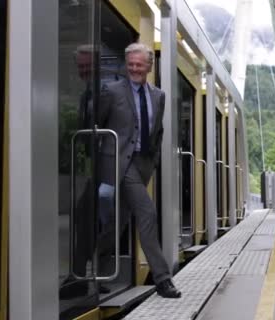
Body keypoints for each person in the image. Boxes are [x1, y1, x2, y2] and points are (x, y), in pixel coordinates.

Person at [97, 42, 181, 298]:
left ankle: (90, 268)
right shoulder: (111, 91)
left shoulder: (159, 95)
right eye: (130, 64)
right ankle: (163, 279)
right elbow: (96, 127)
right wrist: (101, 166)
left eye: (139, 64)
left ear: (148, 66)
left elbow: (158, 130)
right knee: (146, 212)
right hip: (120, 162)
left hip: (144, 164)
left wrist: (153, 159)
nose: (134, 68)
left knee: (119, 220)